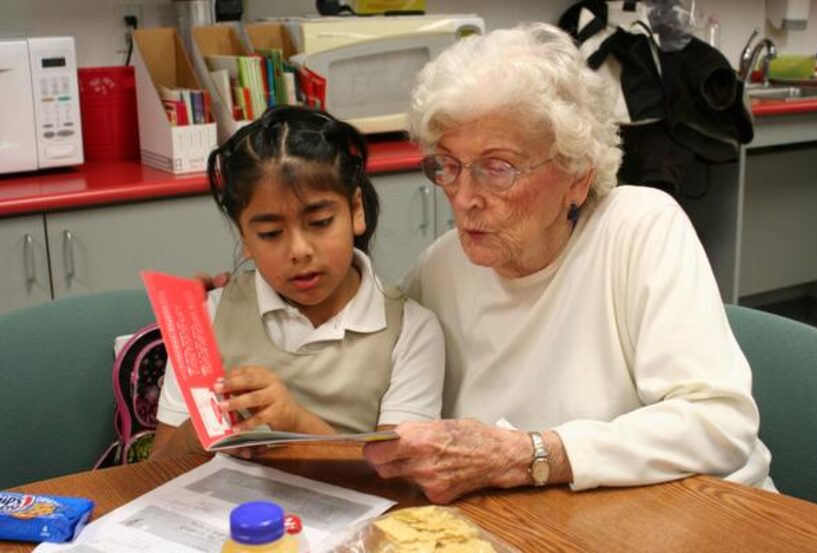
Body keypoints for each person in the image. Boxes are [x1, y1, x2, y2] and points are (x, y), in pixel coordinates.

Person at [361, 22, 776, 503]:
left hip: (705, 512)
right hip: (549, 521)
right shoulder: (443, 266)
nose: (465, 197)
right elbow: (372, 376)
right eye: (448, 166)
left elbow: (720, 424)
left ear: (577, 176)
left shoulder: (639, 228)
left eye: (497, 168)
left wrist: (528, 455)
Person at [150, 105, 445, 459]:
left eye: (319, 222)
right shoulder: (206, 316)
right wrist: (205, 422)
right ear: (244, 237)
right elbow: (158, 467)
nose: (299, 251)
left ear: (355, 210)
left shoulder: (411, 330)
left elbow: (401, 475)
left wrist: (294, 422)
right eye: (271, 233)